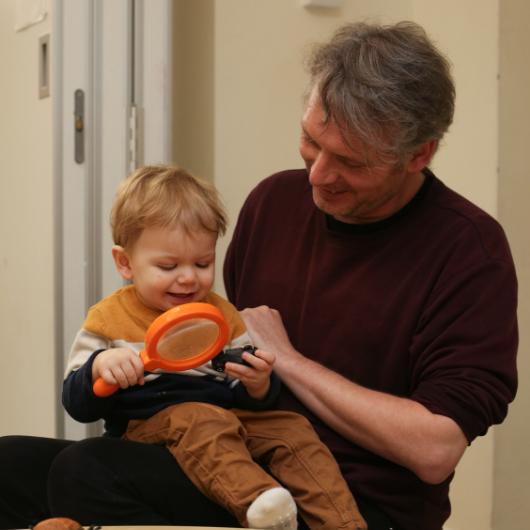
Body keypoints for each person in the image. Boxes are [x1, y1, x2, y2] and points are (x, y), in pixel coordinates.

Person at [0, 20, 518, 530]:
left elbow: (435, 449)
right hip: (230, 454)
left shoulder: (469, 250)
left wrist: (288, 361)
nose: (317, 176)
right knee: (9, 466)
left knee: (87, 472)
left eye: (349, 162)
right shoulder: (274, 202)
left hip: (346, 499)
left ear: (418, 155)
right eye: (311, 142)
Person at [61, 164, 367, 530]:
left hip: (228, 419)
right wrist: (100, 366)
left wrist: (258, 385)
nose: (189, 277)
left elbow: (244, 393)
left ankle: (345, 524)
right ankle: (263, 509)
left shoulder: (221, 314)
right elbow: (76, 402)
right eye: (168, 265)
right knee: (198, 417)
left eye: (203, 262)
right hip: (147, 425)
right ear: (125, 263)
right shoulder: (108, 318)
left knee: (293, 428)